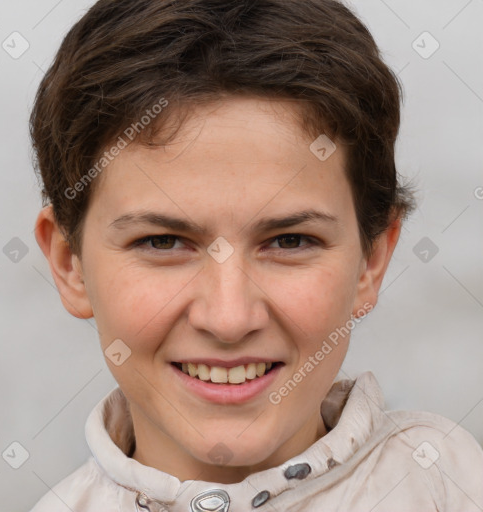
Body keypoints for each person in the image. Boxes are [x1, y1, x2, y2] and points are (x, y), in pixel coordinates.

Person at [29, 0, 483, 510]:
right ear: (70, 264)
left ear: (371, 261)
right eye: (162, 242)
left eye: (290, 241)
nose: (229, 319)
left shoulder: (451, 486)